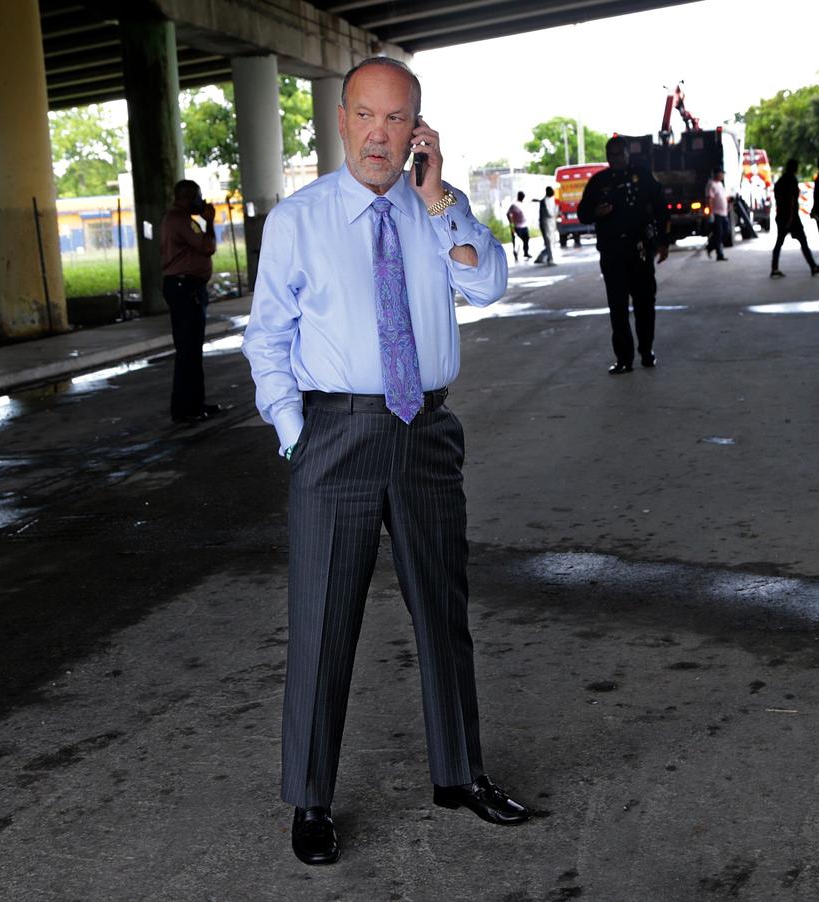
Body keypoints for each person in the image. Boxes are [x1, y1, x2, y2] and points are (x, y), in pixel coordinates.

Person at [242, 56, 529, 868]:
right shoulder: (297, 220)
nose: (379, 134)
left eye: (396, 119)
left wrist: (441, 201)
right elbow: (267, 336)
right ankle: (311, 800)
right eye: (365, 116)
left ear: (419, 131)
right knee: (323, 621)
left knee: (444, 612)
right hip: (336, 435)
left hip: (427, 434)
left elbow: (489, 288)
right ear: (340, 121)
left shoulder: (437, 212)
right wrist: (293, 430)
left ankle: (459, 773)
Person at [577, 134, 670, 374]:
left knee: (644, 303)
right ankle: (624, 359)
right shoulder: (599, 181)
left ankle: (646, 350)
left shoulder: (642, 176)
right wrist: (596, 211)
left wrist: (662, 242)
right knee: (617, 307)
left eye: (619, 154)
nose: (615, 159)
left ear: (628, 154)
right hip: (612, 253)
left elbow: (661, 207)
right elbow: (583, 213)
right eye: (611, 155)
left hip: (639, 249)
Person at [160, 179, 223, 423]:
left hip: (182, 287)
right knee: (189, 350)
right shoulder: (182, 221)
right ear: (187, 197)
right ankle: (188, 408)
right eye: (197, 197)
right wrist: (209, 222)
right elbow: (207, 247)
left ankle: (194, 404)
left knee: (190, 350)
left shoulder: (174, 219)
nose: (201, 202)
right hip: (185, 289)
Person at [769, 158, 819, 278]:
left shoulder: (780, 181)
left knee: (779, 243)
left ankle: (774, 268)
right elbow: (791, 201)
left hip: (782, 217)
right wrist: (790, 219)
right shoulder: (791, 181)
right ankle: (813, 266)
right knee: (803, 243)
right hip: (791, 218)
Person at [705, 167, 729, 261]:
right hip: (716, 213)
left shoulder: (720, 184)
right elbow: (709, 199)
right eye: (721, 173)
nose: (722, 175)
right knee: (719, 234)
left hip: (724, 213)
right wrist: (710, 213)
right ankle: (720, 254)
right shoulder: (711, 184)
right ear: (716, 174)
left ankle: (710, 246)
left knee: (725, 232)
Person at [533, 185, 557, 264]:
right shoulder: (545, 201)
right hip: (546, 224)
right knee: (548, 242)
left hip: (550, 224)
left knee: (550, 242)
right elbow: (549, 213)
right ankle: (550, 259)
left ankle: (541, 257)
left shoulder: (549, 200)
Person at [506, 190, 530, 260]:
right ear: (519, 196)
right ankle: (516, 253)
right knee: (517, 241)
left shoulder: (523, 204)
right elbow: (508, 214)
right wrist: (511, 223)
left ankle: (526, 253)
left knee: (526, 239)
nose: (522, 198)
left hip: (524, 225)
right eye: (521, 196)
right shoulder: (514, 205)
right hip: (517, 226)